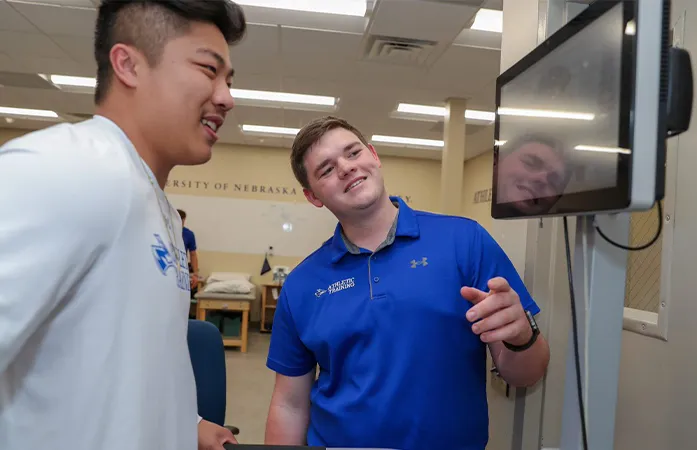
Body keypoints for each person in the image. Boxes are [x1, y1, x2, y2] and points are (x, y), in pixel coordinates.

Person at [0, 1, 246, 450]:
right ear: (129, 65)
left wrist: (183, 422)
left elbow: (132, 357)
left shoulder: (158, 207)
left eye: (229, 80)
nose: (227, 97)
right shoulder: (67, 169)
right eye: (209, 70)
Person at [264, 116, 551, 450]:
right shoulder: (302, 284)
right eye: (326, 169)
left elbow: (526, 374)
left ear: (373, 155)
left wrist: (521, 336)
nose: (346, 168)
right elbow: (289, 404)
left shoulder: (465, 242)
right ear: (313, 196)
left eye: (353, 153)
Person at [178, 208, 201, 291]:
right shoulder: (166, 231)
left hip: (182, 268)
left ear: (184, 220)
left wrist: (195, 274)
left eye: (182, 220)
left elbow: (193, 254)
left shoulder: (188, 234)